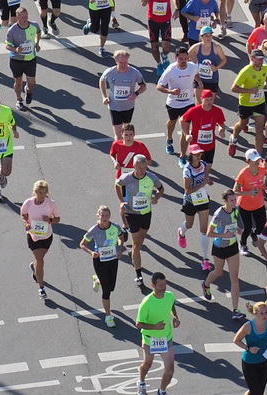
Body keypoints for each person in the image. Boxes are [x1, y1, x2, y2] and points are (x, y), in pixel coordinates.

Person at [117, 156, 163, 291]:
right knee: (137, 245)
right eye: (139, 168)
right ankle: (138, 274)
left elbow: (161, 189)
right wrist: (121, 201)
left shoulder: (152, 178)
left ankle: (132, 253)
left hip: (146, 213)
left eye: (144, 168)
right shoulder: (127, 178)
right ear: (134, 167)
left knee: (141, 240)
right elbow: (117, 185)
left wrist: (156, 198)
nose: (142, 170)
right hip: (131, 214)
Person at [135, 273, 180, 395]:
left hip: (166, 338)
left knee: (170, 371)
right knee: (147, 365)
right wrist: (155, 327)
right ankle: (141, 382)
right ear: (153, 285)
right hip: (150, 339)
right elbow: (138, 324)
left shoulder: (170, 296)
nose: (163, 288)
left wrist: (175, 317)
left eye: (165, 284)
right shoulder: (146, 302)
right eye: (160, 285)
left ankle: (161, 391)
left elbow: (171, 305)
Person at [81, 205, 126, 327]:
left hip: (113, 259)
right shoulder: (93, 230)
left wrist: (120, 249)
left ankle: (97, 279)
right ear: (98, 216)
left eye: (107, 215)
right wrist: (91, 252)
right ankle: (108, 316)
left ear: (109, 216)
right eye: (102, 215)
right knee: (106, 291)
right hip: (99, 261)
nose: (104, 218)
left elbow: (121, 238)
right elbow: (82, 244)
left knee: (111, 287)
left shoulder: (115, 227)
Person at [203, 189, 245, 315]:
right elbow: (209, 233)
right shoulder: (219, 214)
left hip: (232, 247)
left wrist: (239, 230)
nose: (234, 202)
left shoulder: (236, 210)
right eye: (231, 200)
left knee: (234, 278)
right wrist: (223, 235)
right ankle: (206, 285)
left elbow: (237, 224)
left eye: (235, 199)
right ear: (225, 201)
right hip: (219, 248)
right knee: (218, 272)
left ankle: (235, 310)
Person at [20, 180, 62, 302]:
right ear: (35, 192)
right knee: (40, 261)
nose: (42, 195)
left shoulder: (51, 204)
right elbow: (23, 214)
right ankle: (41, 288)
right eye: (40, 192)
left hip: (47, 236)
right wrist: (26, 223)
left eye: (44, 192)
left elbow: (57, 219)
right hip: (33, 236)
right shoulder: (28, 203)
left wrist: (50, 220)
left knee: (39, 261)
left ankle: (35, 268)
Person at [234, 300, 267, 395]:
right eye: (261, 313)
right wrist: (248, 348)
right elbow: (236, 340)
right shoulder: (248, 326)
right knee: (256, 392)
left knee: (259, 390)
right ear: (255, 314)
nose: (264, 315)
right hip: (250, 362)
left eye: (266, 312)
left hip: (264, 360)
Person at [178, 142, 215, 267]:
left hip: (202, 199)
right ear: (191, 155)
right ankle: (181, 233)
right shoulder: (187, 170)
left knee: (204, 230)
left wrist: (208, 181)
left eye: (200, 154)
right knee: (189, 224)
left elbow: (204, 177)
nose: (199, 156)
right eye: (196, 154)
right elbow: (187, 190)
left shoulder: (203, 164)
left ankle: (205, 259)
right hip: (190, 201)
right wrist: (202, 185)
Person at [5, 5, 42, 109]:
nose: (25, 19)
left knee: (32, 82)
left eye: (26, 16)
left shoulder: (34, 25)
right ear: (17, 17)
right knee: (18, 82)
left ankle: (28, 91)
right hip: (16, 60)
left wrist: (37, 44)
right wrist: (16, 49)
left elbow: (38, 32)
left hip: (30, 59)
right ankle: (19, 99)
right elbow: (7, 46)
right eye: (23, 17)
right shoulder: (12, 30)